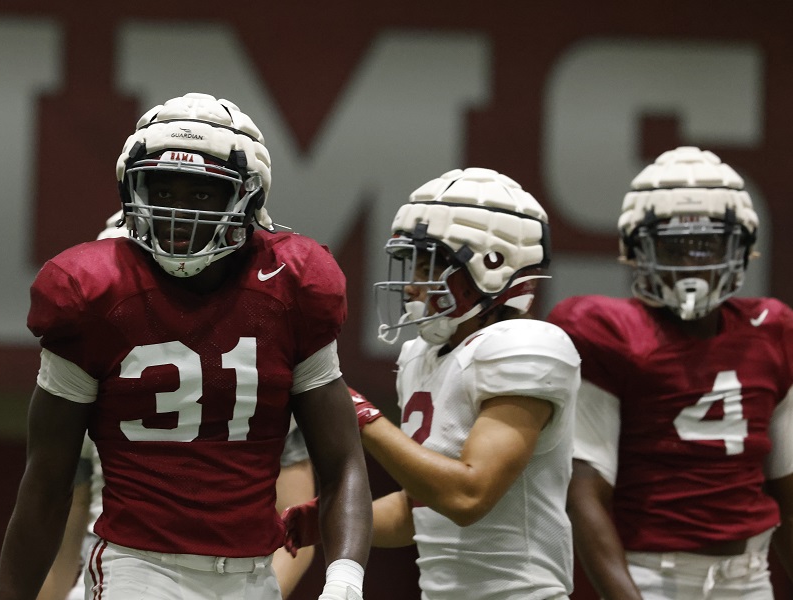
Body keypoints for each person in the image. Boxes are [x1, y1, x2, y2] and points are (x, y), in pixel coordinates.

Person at [0, 92, 371, 600]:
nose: (178, 212)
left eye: (200, 194)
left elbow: (341, 459)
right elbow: (46, 483)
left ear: (248, 197)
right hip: (137, 569)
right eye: (162, 190)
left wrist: (346, 575)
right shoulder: (92, 292)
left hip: (254, 573)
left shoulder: (291, 285)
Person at [285, 167, 581, 599]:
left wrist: (358, 413)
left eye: (430, 263)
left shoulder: (526, 346)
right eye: (412, 263)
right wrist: (325, 520)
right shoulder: (422, 358)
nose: (411, 285)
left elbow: (468, 496)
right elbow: (420, 509)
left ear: (491, 266)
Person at [547, 145, 793, 599]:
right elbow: (584, 495)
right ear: (636, 249)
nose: (692, 261)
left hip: (750, 578)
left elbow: (788, 486)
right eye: (673, 245)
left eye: (709, 244)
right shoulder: (607, 331)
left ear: (742, 248)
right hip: (652, 577)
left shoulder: (772, 329)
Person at [36, 424, 318, 600]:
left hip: (235, 583)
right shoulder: (92, 362)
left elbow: (295, 533)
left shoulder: (265, 372)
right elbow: (66, 531)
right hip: (117, 579)